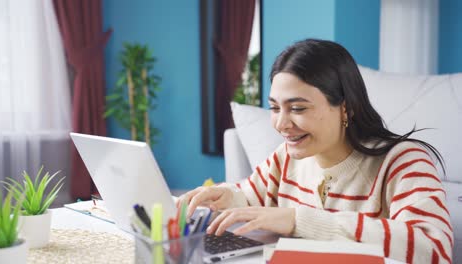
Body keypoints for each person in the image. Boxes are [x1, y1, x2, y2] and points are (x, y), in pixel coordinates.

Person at [179, 39, 453, 263]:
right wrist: (225, 197)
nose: (281, 124)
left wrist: (299, 220)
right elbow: (251, 197)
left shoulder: (403, 162)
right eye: (275, 108)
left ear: (347, 108)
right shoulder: (285, 158)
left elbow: (434, 250)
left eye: (298, 108)